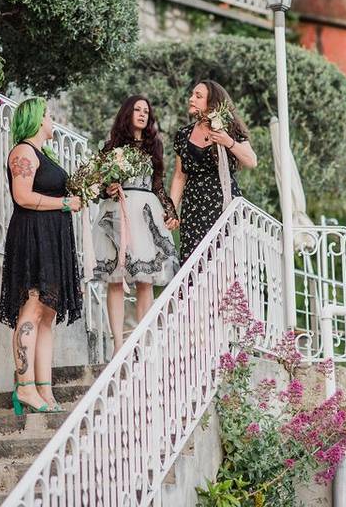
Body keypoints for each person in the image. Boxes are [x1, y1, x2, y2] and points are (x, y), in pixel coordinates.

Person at [0, 97, 83, 414]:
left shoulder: (43, 154)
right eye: (48, 114)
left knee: (47, 315)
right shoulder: (24, 152)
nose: (52, 119)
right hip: (33, 236)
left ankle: (44, 389)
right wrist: (63, 204)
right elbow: (22, 196)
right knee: (32, 311)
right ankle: (25, 387)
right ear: (36, 119)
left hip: (52, 237)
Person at [92, 95, 179, 357]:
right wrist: (109, 189)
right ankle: (118, 345)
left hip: (145, 212)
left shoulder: (155, 146)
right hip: (118, 210)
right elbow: (99, 188)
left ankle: (142, 342)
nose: (142, 114)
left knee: (145, 280)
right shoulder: (111, 147)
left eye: (146, 111)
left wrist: (170, 210)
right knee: (115, 280)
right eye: (137, 110)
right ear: (127, 113)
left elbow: (158, 184)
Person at [171, 81, 257, 263]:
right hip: (193, 209)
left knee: (224, 262)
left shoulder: (230, 130)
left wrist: (228, 142)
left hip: (223, 206)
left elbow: (251, 161)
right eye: (192, 95)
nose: (191, 99)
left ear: (212, 103)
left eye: (198, 96)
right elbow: (179, 176)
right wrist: (172, 209)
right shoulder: (182, 134)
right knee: (194, 264)